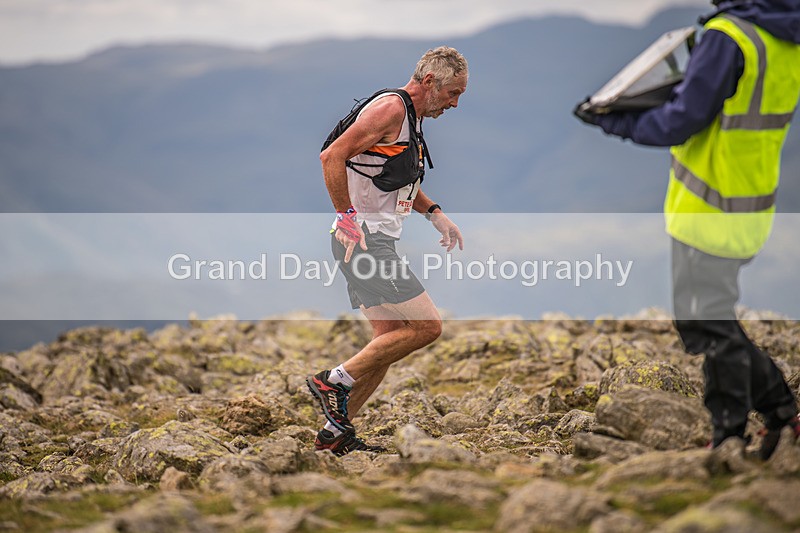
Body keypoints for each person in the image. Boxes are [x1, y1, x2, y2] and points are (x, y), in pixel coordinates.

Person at [575, 0, 800, 459]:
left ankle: (731, 436)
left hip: (706, 207)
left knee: (709, 322)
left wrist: (613, 120)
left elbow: (681, 120)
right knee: (707, 319)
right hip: (750, 202)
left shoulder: (728, 35)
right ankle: (775, 414)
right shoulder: (783, 39)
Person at [306, 46, 467, 456]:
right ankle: (333, 380)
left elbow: (394, 179)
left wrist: (434, 213)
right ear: (430, 82)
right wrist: (346, 216)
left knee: (389, 339)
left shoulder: (409, 119)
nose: (454, 103)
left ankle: (333, 436)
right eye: (453, 93)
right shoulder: (390, 109)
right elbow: (332, 155)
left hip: (368, 241)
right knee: (428, 327)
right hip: (363, 242)